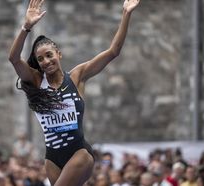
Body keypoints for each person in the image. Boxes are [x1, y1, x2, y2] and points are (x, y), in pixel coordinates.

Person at [8, 0, 140, 185]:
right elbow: (13, 58)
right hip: (52, 159)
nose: (46, 61)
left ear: (58, 54)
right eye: (40, 59)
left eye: (49, 55)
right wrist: (26, 27)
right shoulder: (37, 81)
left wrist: (126, 14)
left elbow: (113, 51)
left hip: (80, 154)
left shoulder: (77, 76)